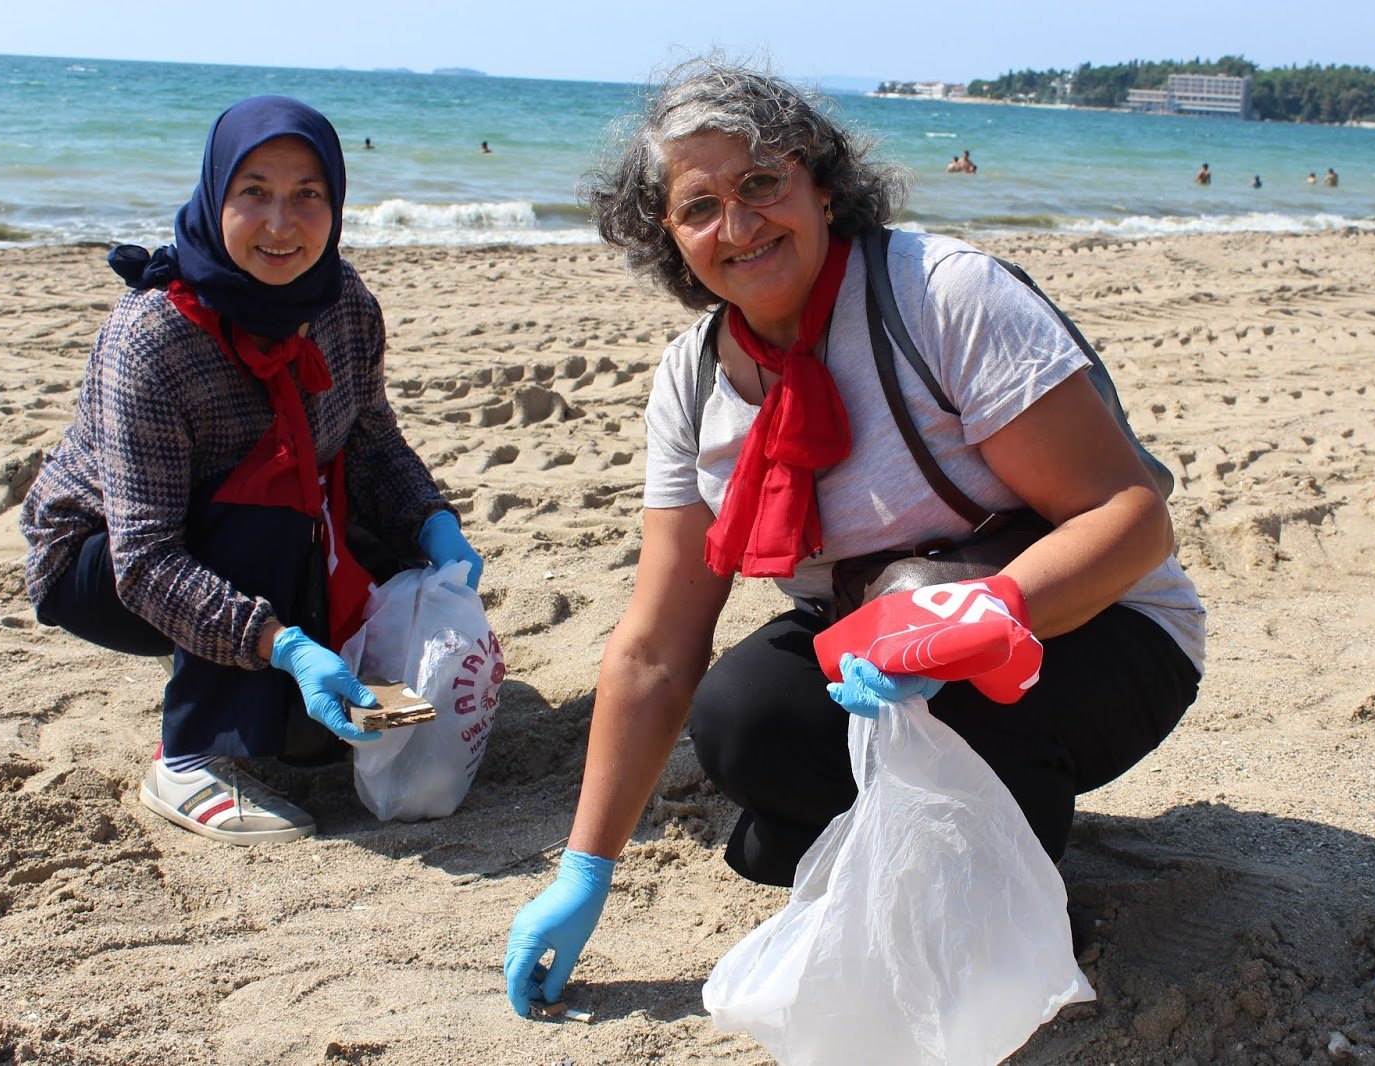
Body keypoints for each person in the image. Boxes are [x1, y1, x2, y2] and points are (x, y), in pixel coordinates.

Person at [501, 59, 1204, 1014]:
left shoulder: (942, 297)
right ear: (666, 237)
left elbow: (1132, 518)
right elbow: (660, 646)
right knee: (740, 720)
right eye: (698, 205)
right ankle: (924, 848)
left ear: (821, 182)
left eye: (761, 183)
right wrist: (585, 870)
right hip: (881, 637)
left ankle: (1019, 911)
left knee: (942, 705)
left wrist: (982, 615)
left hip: (1095, 632)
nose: (739, 226)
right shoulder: (694, 380)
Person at [20, 96, 483, 846]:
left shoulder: (344, 306)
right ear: (215, 196)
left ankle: (277, 699)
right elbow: (144, 560)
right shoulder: (154, 340)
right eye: (254, 193)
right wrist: (285, 645)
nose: (281, 224)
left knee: (381, 560)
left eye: (308, 195)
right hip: (103, 562)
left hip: (259, 537)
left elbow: (370, 444)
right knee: (270, 505)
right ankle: (187, 758)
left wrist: (434, 525)